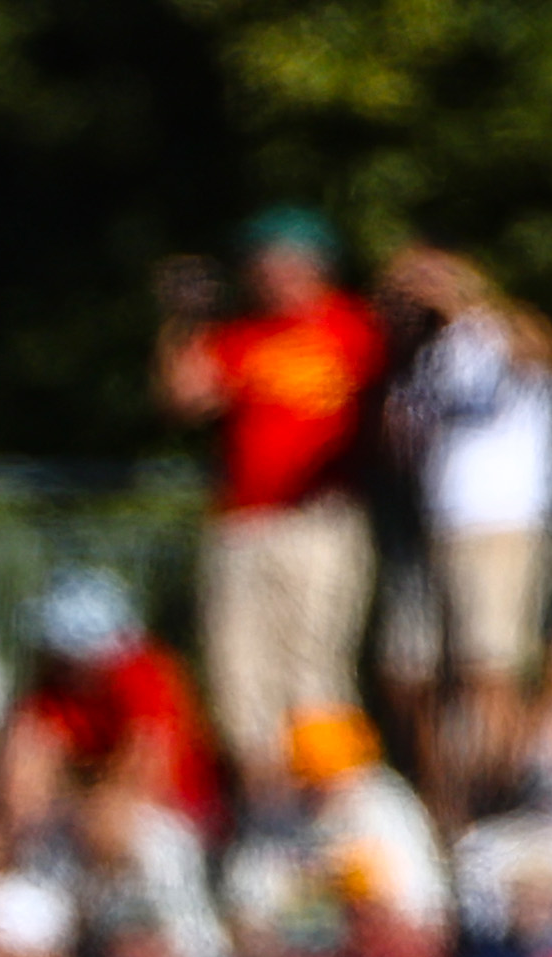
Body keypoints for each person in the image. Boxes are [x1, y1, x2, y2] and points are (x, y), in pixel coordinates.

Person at [160, 207, 384, 798]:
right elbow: (184, 397)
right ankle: (267, 807)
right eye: (265, 265)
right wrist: (185, 317)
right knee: (240, 675)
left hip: (321, 520)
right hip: (242, 522)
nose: (275, 277)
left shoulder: (353, 327)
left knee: (313, 665)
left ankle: (339, 800)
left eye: (288, 263)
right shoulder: (241, 336)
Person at [379, 247, 552, 820]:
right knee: (409, 672)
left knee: (491, 669)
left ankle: (503, 804)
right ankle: (444, 810)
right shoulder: (428, 357)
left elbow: (542, 355)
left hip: (500, 525)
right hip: (439, 528)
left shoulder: (508, 334)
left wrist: (462, 300)